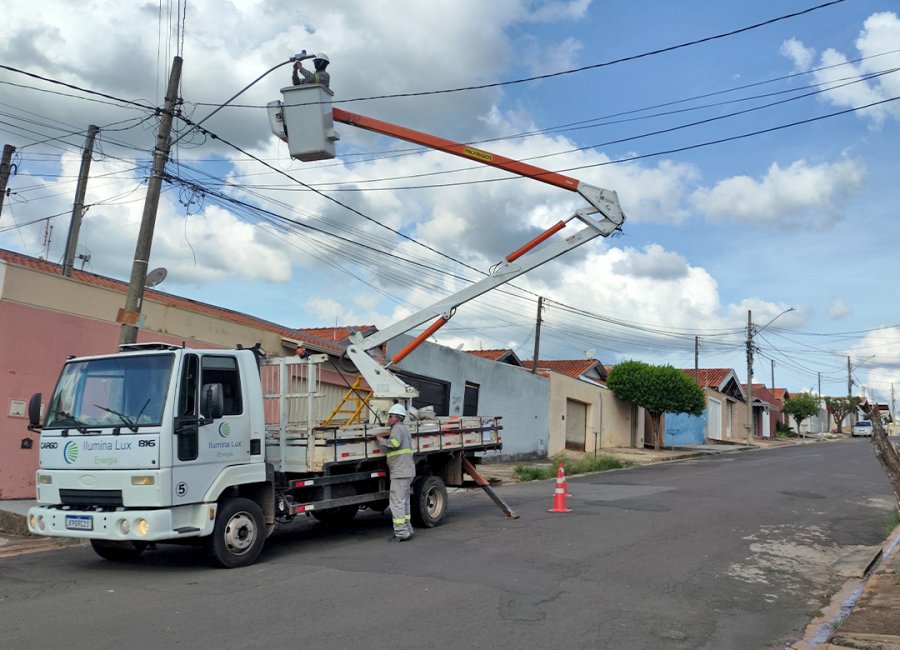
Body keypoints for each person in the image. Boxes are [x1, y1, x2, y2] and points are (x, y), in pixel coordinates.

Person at [376, 402, 415, 541]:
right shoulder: (403, 428)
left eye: (390, 416)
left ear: (397, 417)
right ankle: (408, 529)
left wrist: (380, 440)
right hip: (406, 470)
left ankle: (401, 533)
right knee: (404, 502)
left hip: (400, 471)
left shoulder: (397, 429)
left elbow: (394, 444)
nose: (388, 418)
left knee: (396, 503)